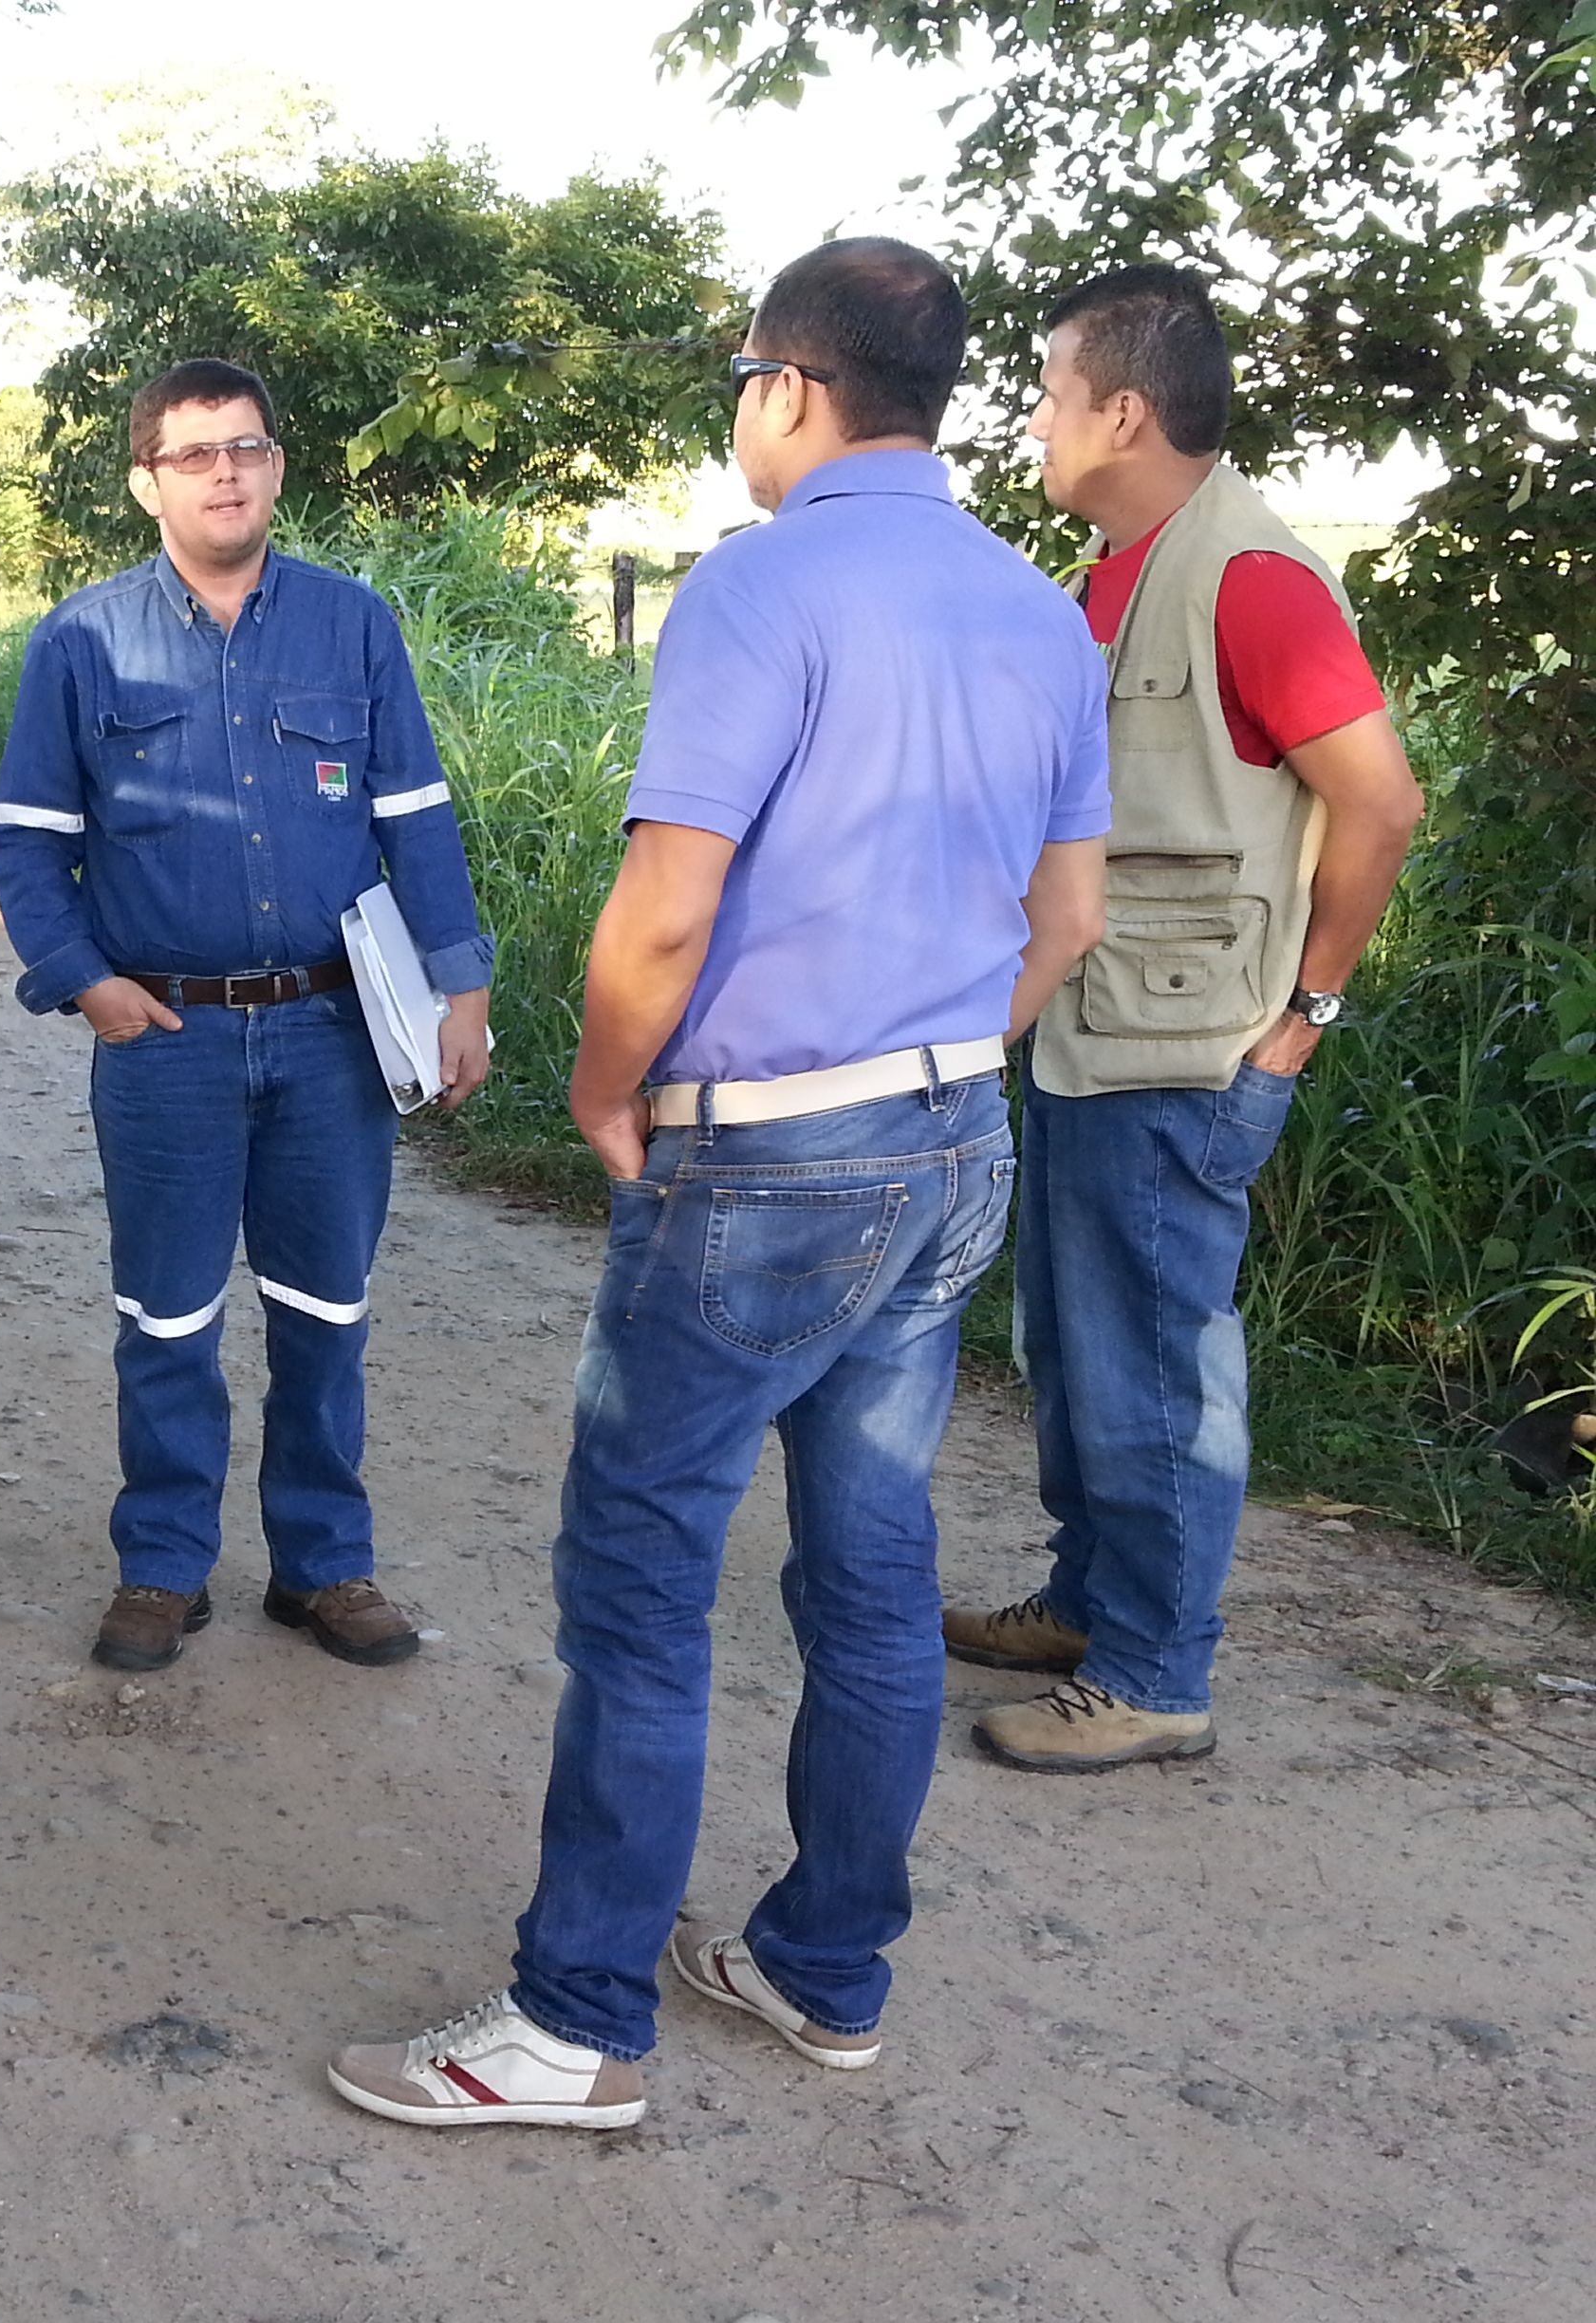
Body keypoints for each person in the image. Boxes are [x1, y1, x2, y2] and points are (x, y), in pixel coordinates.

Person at [329, 240, 1111, 2133]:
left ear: (786, 388)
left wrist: (610, 1092)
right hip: (950, 1138)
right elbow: (1068, 918)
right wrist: (936, 1060)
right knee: (869, 1569)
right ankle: (824, 1967)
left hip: (765, 1155)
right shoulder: (1038, 607)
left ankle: (576, 2019)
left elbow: (665, 907)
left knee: (643, 1580)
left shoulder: (762, 589)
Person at [950, 266, 1424, 1772]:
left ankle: (1156, 1676)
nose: (1031, 418)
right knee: (1081, 1347)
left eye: (1047, 390)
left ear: (1125, 411)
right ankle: (1094, 1603)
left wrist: (1308, 1012)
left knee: (1157, 1363)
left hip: (1191, 1047)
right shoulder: (1126, 572)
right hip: (1099, 1033)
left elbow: (1380, 802)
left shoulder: (1252, 579)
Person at [0, 357, 495, 1676]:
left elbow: (415, 822)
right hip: (168, 1039)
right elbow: (30, 842)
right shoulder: (82, 640)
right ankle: (163, 1566)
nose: (227, 473)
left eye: (249, 449)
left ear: (277, 467)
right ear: (147, 477)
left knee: (328, 1309)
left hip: (333, 1035)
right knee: (167, 1314)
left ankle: (325, 1567)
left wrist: (463, 987)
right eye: (197, 453)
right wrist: (82, 978)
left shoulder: (351, 625)